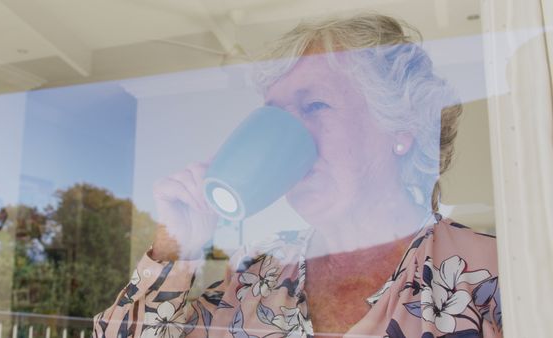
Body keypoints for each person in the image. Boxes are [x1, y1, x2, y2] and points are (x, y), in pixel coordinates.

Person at [93, 13, 502, 338]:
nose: (288, 137)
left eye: (315, 106)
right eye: (275, 115)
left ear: (401, 128)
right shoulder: (259, 272)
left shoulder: (490, 271)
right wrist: (174, 247)